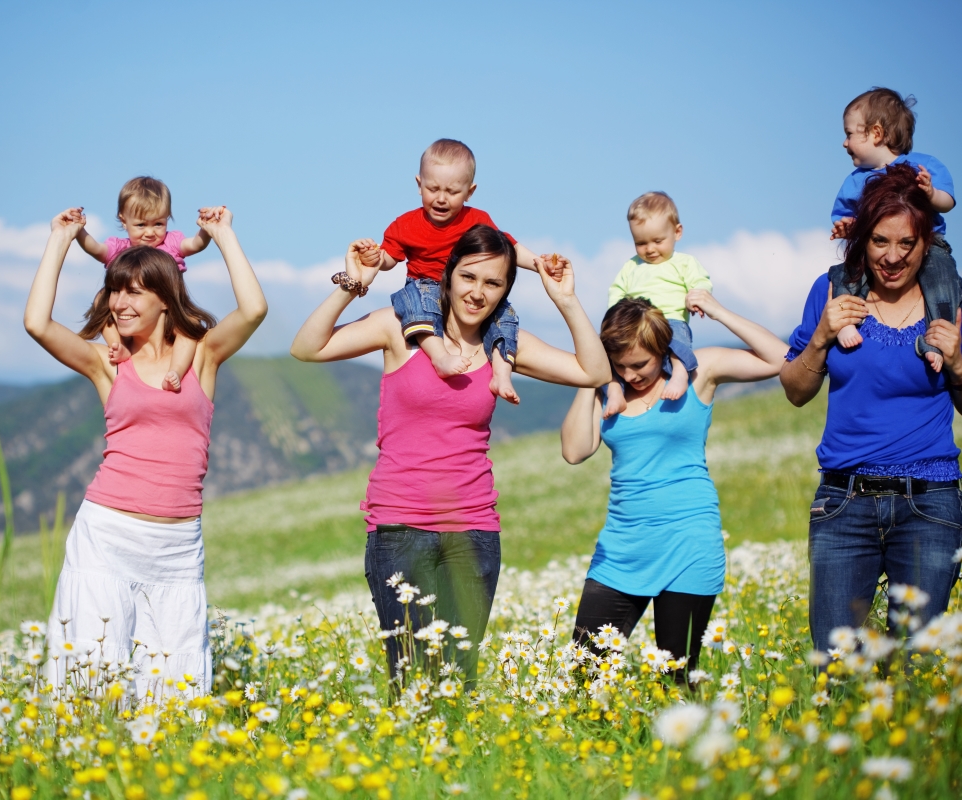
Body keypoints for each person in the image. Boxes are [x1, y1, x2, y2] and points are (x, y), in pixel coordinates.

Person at [291, 225, 610, 689]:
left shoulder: (504, 349)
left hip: (474, 532)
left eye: (493, 283)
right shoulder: (400, 329)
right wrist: (353, 282)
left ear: (505, 291)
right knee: (412, 681)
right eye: (468, 277)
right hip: (399, 529)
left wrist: (566, 301)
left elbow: (593, 371)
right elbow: (306, 348)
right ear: (448, 274)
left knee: (458, 683)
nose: (478, 293)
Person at [25, 204, 266, 697]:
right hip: (106, 535)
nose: (119, 302)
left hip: (178, 547)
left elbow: (255, 310)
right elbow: (37, 324)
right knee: (88, 680)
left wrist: (222, 235)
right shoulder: (107, 363)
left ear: (164, 298)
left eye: (134, 291)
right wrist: (60, 240)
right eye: (115, 291)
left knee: (175, 692)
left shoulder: (202, 356)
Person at [780, 163, 962, 656]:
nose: (893, 257)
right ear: (861, 239)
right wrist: (820, 338)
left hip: (930, 505)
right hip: (842, 503)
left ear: (927, 244)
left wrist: (958, 363)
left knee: (918, 667)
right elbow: (794, 389)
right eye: (879, 242)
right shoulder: (831, 291)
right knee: (836, 666)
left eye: (906, 245)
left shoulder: (959, 302)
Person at [561, 293, 787, 680]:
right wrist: (594, 376)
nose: (631, 375)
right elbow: (575, 450)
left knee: (676, 678)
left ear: (663, 347)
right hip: (622, 550)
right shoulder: (608, 392)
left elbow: (780, 358)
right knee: (583, 675)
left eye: (640, 364)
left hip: (690, 546)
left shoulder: (699, 374)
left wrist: (716, 310)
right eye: (620, 365)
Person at [355, 139, 542, 405]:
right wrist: (374, 257)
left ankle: (501, 373)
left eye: (452, 192)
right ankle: (439, 356)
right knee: (418, 307)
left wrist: (539, 264)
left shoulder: (477, 219)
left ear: (470, 191)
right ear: (419, 185)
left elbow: (508, 249)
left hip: (463, 291)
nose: (441, 198)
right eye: (433, 189)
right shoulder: (405, 224)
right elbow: (389, 257)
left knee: (505, 316)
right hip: (424, 283)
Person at [829, 87, 962, 370]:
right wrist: (848, 228)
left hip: (929, 245)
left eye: (849, 133)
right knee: (845, 274)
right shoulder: (854, 182)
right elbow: (849, 220)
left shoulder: (923, 166)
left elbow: (948, 202)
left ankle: (936, 341)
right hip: (872, 249)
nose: (844, 142)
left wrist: (930, 194)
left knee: (943, 280)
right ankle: (844, 321)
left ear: (876, 134)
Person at [72, 176, 214, 392]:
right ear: (124, 221)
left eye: (158, 224)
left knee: (189, 329)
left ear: (168, 218)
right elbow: (96, 249)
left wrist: (206, 228)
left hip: (171, 308)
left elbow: (196, 244)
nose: (150, 232)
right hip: (135, 313)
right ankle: (118, 346)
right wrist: (79, 230)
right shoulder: (120, 247)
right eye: (140, 225)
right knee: (102, 299)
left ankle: (176, 370)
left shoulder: (171, 242)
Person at [601, 191, 712, 417]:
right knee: (608, 358)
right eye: (640, 243)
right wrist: (615, 317)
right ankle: (614, 392)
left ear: (677, 232)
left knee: (677, 342)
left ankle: (680, 373)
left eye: (657, 241)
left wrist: (696, 297)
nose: (649, 249)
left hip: (670, 319)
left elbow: (700, 282)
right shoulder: (631, 266)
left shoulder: (684, 263)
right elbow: (617, 290)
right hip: (634, 326)